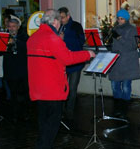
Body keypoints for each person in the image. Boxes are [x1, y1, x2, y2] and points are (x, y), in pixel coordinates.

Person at [27, 9, 95, 149]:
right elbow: (68, 59)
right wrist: (87, 54)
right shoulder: (53, 38)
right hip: (52, 90)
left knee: (43, 124)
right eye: (59, 22)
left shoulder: (32, 38)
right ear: (56, 22)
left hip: (38, 89)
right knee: (51, 126)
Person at [108, 9, 140, 116]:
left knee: (126, 86)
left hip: (127, 62)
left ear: (126, 19)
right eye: (118, 18)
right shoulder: (115, 28)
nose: (119, 20)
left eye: (121, 19)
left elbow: (132, 46)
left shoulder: (132, 29)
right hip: (116, 62)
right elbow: (112, 45)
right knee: (115, 85)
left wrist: (118, 37)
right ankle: (117, 107)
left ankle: (124, 109)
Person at [57, 7, 86, 121]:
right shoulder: (58, 26)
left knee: (72, 88)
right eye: (59, 18)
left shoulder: (76, 26)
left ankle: (70, 111)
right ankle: (61, 110)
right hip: (62, 62)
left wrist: (65, 39)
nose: (61, 20)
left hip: (75, 62)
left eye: (63, 18)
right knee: (62, 88)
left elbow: (81, 42)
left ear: (68, 16)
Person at [3, 15, 29, 123]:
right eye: (10, 26)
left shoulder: (24, 36)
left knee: (23, 94)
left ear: (18, 27)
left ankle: (24, 114)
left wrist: (15, 42)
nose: (12, 28)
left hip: (22, 70)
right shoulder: (4, 37)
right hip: (10, 70)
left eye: (14, 26)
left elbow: (27, 48)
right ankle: (14, 114)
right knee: (13, 94)